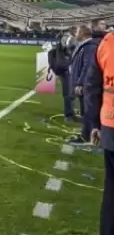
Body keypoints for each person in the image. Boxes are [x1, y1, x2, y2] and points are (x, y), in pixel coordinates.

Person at [84, 28, 114, 235]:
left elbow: (92, 87)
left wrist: (94, 124)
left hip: (110, 128)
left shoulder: (106, 44)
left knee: (112, 190)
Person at [68, 25, 98, 143]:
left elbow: (88, 66)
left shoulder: (89, 47)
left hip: (85, 85)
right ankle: (86, 134)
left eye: (78, 32)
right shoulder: (85, 46)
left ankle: (86, 136)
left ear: (83, 33)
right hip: (84, 84)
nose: (76, 34)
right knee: (85, 111)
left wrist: (80, 83)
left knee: (87, 112)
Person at [49, 28, 75, 121]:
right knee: (68, 93)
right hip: (66, 70)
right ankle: (69, 115)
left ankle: (70, 113)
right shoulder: (65, 41)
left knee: (70, 93)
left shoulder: (67, 39)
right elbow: (66, 50)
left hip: (68, 70)